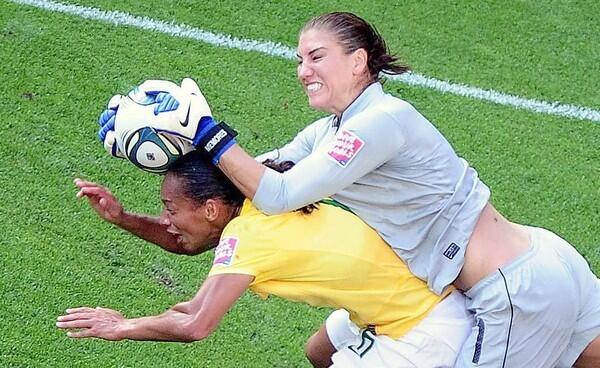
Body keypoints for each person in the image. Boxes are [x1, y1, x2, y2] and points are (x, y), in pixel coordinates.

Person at [99, 11, 600, 368]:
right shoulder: (332, 132)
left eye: (316, 56)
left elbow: (274, 196)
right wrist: (179, 146)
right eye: (299, 59)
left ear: (359, 61)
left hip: (511, 288)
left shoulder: (379, 123)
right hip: (540, 258)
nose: (303, 70)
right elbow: (256, 177)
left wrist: (205, 129)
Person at [57, 152, 473, 367]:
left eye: (170, 207)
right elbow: (190, 244)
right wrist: (123, 218)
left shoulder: (251, 237)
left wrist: (122, 326)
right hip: (405, 304)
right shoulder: (258, 201)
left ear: (211, 210)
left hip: (424, 327)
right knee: (320, 352)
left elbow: (196, 322)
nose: (167, 218)